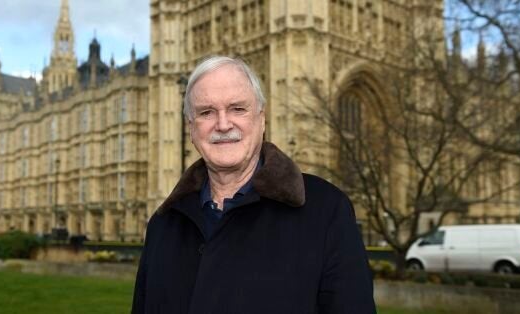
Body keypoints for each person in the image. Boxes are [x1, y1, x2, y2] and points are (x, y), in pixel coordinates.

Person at [132, 56, 375, 314]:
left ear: (262, 119)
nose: (223, 124)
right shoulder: (163, 224)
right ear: (191, 129)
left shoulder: (325, 211)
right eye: (206, 112)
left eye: (238, 109)